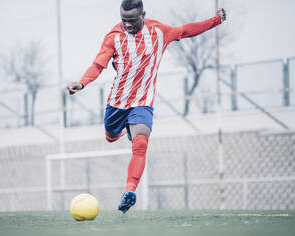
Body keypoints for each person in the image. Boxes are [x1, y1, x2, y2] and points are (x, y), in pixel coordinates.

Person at [67, 0, 226, 213]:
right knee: (110, 136)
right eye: (124, 20)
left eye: (132, 20)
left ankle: (129, 191)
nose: (128, 24)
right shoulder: (113, 37)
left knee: (141, 144)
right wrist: (82, 82)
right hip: (117, 102)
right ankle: (125, 129)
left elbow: (187, 30)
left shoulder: (160, 32)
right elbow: (99, 64)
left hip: (143, 102)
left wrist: (215, 20)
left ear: (143, 15)